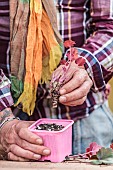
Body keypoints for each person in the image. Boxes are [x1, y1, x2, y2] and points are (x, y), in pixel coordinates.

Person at [0, 0, 113, 161]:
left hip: (87, 120)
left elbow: (109, 26)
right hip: (10, 127)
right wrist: (3, 120)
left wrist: (84, 66)